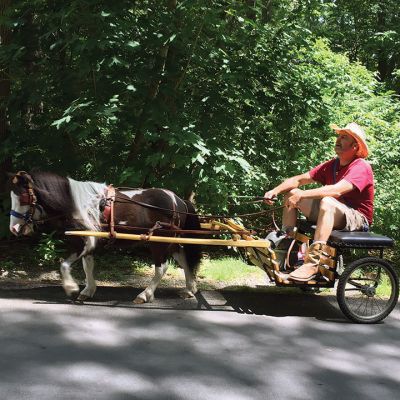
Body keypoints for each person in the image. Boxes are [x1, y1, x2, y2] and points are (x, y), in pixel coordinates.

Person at [264, 122, 374, 282]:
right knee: (291, 194)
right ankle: (287, 247)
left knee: (327, 201)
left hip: (356, 218)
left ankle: (312, 263)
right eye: (338, 136)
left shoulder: (361, 166)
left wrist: (303, 195)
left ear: (355, 146)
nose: (338, 139)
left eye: (344, 137)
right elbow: (299, 179)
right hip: (332, 211)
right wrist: (275, 191)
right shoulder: (333, 164)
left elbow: (336, 190)